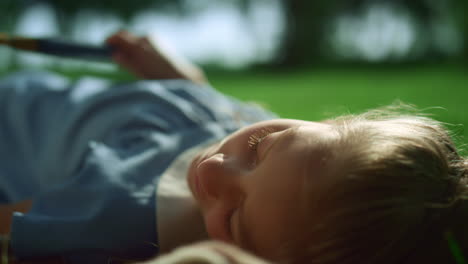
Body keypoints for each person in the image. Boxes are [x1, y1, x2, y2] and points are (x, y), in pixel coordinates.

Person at [0, 31, 467, 264]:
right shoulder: (265, 138)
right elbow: (221, 112)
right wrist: (181, 79)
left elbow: (13, 226)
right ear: (328, 123)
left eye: (235, 217)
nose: (214, 171)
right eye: (261, 146)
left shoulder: (119, 215)